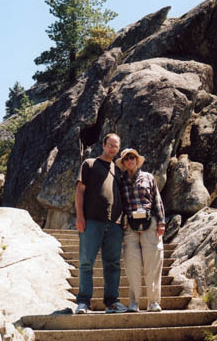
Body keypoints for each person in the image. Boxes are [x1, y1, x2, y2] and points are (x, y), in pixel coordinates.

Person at [74, 133, 128, 314]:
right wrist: (80, 217)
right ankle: (83, 302)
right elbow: (80, 191)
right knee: (86, 262)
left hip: (114, 223)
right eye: (110, 145)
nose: (113, 149)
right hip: (91, 221)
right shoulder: (89, 164)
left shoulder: (119, 169)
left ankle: (112, 302)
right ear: (103, 145)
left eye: (116, 146)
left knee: (112, 264)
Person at [116, 148, 165, 313]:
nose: (130, 160)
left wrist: (161, 222)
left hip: (149, 223)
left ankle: (153, 302)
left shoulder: (148, 177)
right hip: (130, 225)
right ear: (123, 163)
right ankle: (134, 302)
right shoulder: (120, 180)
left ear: (137, 160)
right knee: (132, 264)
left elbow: (157, 199)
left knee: (152, 264)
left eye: (133, 157)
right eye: (126, 158)